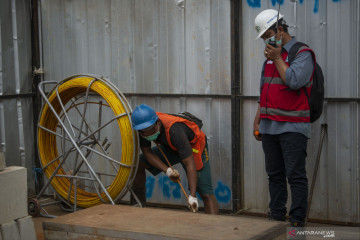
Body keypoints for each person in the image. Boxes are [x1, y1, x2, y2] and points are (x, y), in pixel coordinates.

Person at [253, 9, 315, 227]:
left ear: (280, 29)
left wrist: (278, 57)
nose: (264, 40)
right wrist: (258, 118)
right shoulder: (270, 56)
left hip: (292, 126)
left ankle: (297, 220)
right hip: (270, 127)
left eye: (267, 34)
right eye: (262, 37)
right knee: (275, 175)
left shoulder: (302, 53)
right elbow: (265, 89)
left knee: (295, 175)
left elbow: (295, 81)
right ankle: (276, 216)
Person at [130, 104, 219, 214]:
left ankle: (212, 225)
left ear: (157, 123)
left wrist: (192, 196)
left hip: (194, 148)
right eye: (144, 132)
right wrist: (167, 171)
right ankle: (137, 206)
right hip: (171, 147)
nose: (149, 134)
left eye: (151, 130)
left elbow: (189, 163)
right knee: (139, 163)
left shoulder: (174, 130)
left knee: (205, 192)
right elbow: (147, 152)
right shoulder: (142, 128)